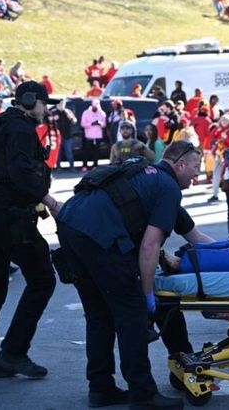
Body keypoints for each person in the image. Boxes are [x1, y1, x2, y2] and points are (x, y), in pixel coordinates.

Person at [55, 141, 212, 409]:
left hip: (71, 227)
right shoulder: (168, 188)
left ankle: (101, 388)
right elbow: (150, 246)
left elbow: (194, 236)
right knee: (132, 315)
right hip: (100, 237)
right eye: (195, 167)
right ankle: (143, 395)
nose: (197, 174)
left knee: (99, 314)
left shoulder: (147, 177)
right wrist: (147, 294)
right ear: (180, 164)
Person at [0, 81, 62, 379]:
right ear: (28, 100)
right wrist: (47, 198)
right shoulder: (20, 129)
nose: (45, 109)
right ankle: (13, 351)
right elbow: (21, 172)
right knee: (43, 279)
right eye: (43, 103)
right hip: (10, 219)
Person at [80, 99, 106, 171]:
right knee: (86, 151)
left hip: (98, 136)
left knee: (96, 152)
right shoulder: (86, 113)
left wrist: (99, 123)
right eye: (94, 107)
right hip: (88, 135)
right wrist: (91, 124)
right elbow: (82, 124)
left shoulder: (102, 113)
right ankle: (85, 165)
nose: (95, 108)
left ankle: (95, 165)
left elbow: (104, 125)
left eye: (97, 107)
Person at [52, 100, 77, 171]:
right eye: (60, 104)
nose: (61, 105)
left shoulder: (68, 111)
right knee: (58, 153)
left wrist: (71, 117)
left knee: (69, 152)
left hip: (67, 136)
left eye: (63, 104)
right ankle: (58, 168)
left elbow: (75, 121)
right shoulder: (53, 112)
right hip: (57, 136)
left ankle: (72, 167)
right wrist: (53, 119)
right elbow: (48, 122)